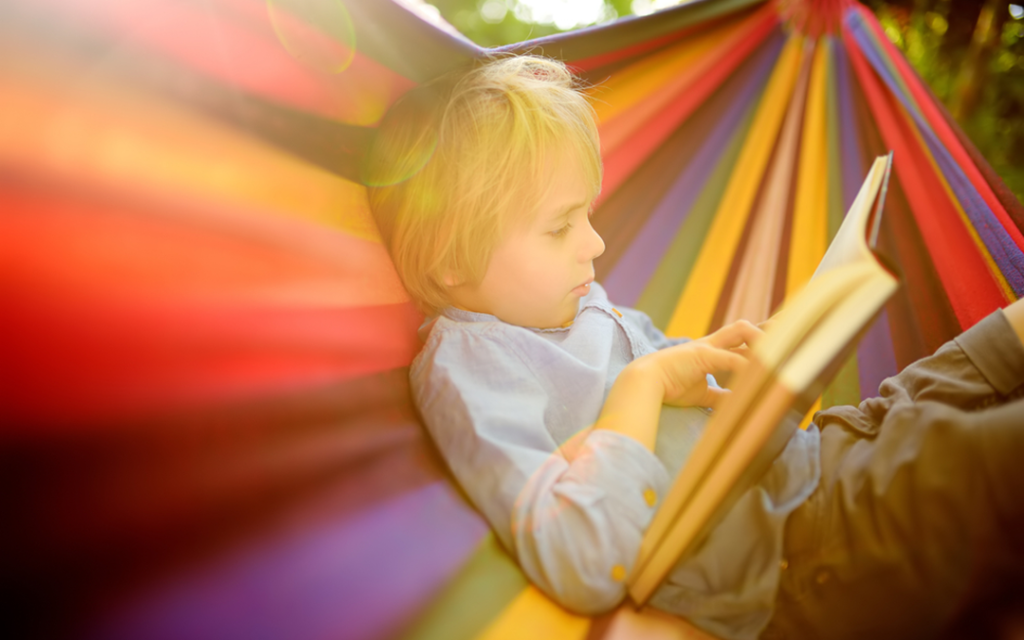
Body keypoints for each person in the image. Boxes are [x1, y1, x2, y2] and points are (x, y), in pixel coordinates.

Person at [363, 54, 1024, 640]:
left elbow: (684, 405)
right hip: (804, 546)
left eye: (586, 215)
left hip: (826, 449)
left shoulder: (566, 298)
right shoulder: (471, 370)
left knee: (999, 344)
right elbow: (582, 558)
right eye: (561, 225)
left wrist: (733, 364)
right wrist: (641, 386)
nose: (594, 243)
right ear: (451, 259)